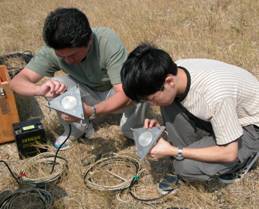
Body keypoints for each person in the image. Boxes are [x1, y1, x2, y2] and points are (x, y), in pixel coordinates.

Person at [121, 43, 259, 193]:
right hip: (224, 114)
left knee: (184, 167)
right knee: (169, 101)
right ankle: (201, 145)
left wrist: (175, 151)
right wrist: (162, 131)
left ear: (169, 82)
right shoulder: (175, 73)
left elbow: (229, 153)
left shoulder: (215, 95)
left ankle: (245, 158)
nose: (151, 105)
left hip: (249, 126)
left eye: (151, 99)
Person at [10, 8, 148, 150]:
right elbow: (16, 82)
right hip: (87, 91)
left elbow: (125, 94)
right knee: (57, 85)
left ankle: (132, 128)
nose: (68, 61)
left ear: (88, 40)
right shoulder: (53, 50)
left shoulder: (107, 41)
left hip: (114, 91)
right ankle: (76, 130)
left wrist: (92, 111)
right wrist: (39, 89)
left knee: (139, 83)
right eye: (61, 56)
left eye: (73, 55)